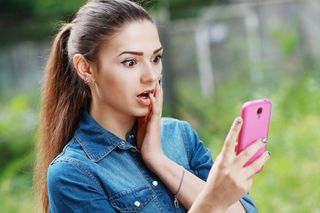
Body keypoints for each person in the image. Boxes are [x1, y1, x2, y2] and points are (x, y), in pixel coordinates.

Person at [34, 0, 270, 212]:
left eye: (156, 58)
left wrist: (159, 160)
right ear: (86, 68)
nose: (150, 76)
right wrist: (212, 202)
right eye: (130, 62)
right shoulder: (73, 174)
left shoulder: (180, 136)